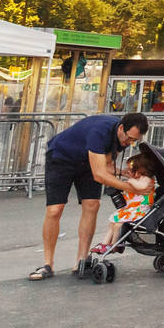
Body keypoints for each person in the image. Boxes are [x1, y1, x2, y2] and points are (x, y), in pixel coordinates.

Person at [29, 111, 150, 280]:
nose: (129, 144)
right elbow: (100, 175)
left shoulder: (122, 138)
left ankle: (81, 261)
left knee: (92, 205)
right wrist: (132, 189)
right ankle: (47, 264)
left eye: (134, 141)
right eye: (129, 138)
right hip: (61, 159)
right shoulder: (99, 132)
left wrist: (123, 173)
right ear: (121, 128)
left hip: (87, 163)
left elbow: (107, 164)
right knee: (55, 210)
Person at [93, 153, 157, 252]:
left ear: (140, 170)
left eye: (131, 170)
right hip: (129, 209)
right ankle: (104, 244)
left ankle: (115, 244)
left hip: (139, 210)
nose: (128, 172)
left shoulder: (146, 179)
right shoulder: (136, 178)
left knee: (118, 225)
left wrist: (131, 180)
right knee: (112, 223)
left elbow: (142, 187)